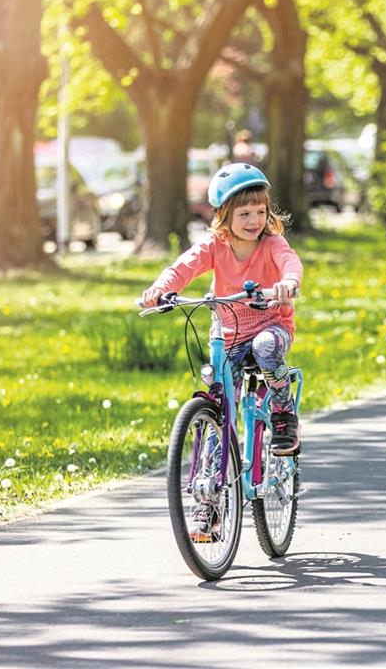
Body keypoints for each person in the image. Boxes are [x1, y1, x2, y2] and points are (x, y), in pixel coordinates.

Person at [142, 163, 303, 537]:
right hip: (227, 333)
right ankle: (208, 506)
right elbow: (182, 267)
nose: (254, 220)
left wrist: (287, 282)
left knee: (266, 349)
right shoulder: (215, 246)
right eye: (244, 213)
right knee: (218, 411)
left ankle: (282, 413)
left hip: (270, 326)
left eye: (260, 212)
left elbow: (290, 264)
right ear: (223, 217)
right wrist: (158, 289)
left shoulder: (272, 244)